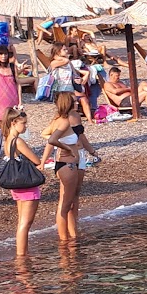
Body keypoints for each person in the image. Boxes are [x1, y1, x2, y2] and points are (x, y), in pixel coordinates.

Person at [0, 108, 44, 258]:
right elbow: (36, 160)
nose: (25, 127)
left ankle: (21, 253)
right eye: (23, 123)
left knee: (21, 222)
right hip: (27, 186)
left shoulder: (7, 140)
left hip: (17, 185)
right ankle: (22, 256)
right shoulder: (18, 141)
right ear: (14, 123)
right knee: (25, 224)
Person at [43, 92, 85, 243]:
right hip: (66, 163)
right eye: (74, 101)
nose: (77, 103)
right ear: (68, 103)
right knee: (65, 204)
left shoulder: (65, 119)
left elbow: (50, 137)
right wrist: (67, 147)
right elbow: (51, 139)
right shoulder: (65, 121)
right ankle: (63, 240)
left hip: (69, 163)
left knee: (70, 201)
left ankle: (71, 236)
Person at [0, 45, 20, 153]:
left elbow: (18, 84)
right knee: (2, 126)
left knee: (13, 124)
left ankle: (12, 149)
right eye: (1, 54)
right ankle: (5, 150)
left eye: (5, 54)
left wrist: (20, 101)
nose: (3, 56)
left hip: (12, 98)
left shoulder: (12, 67)